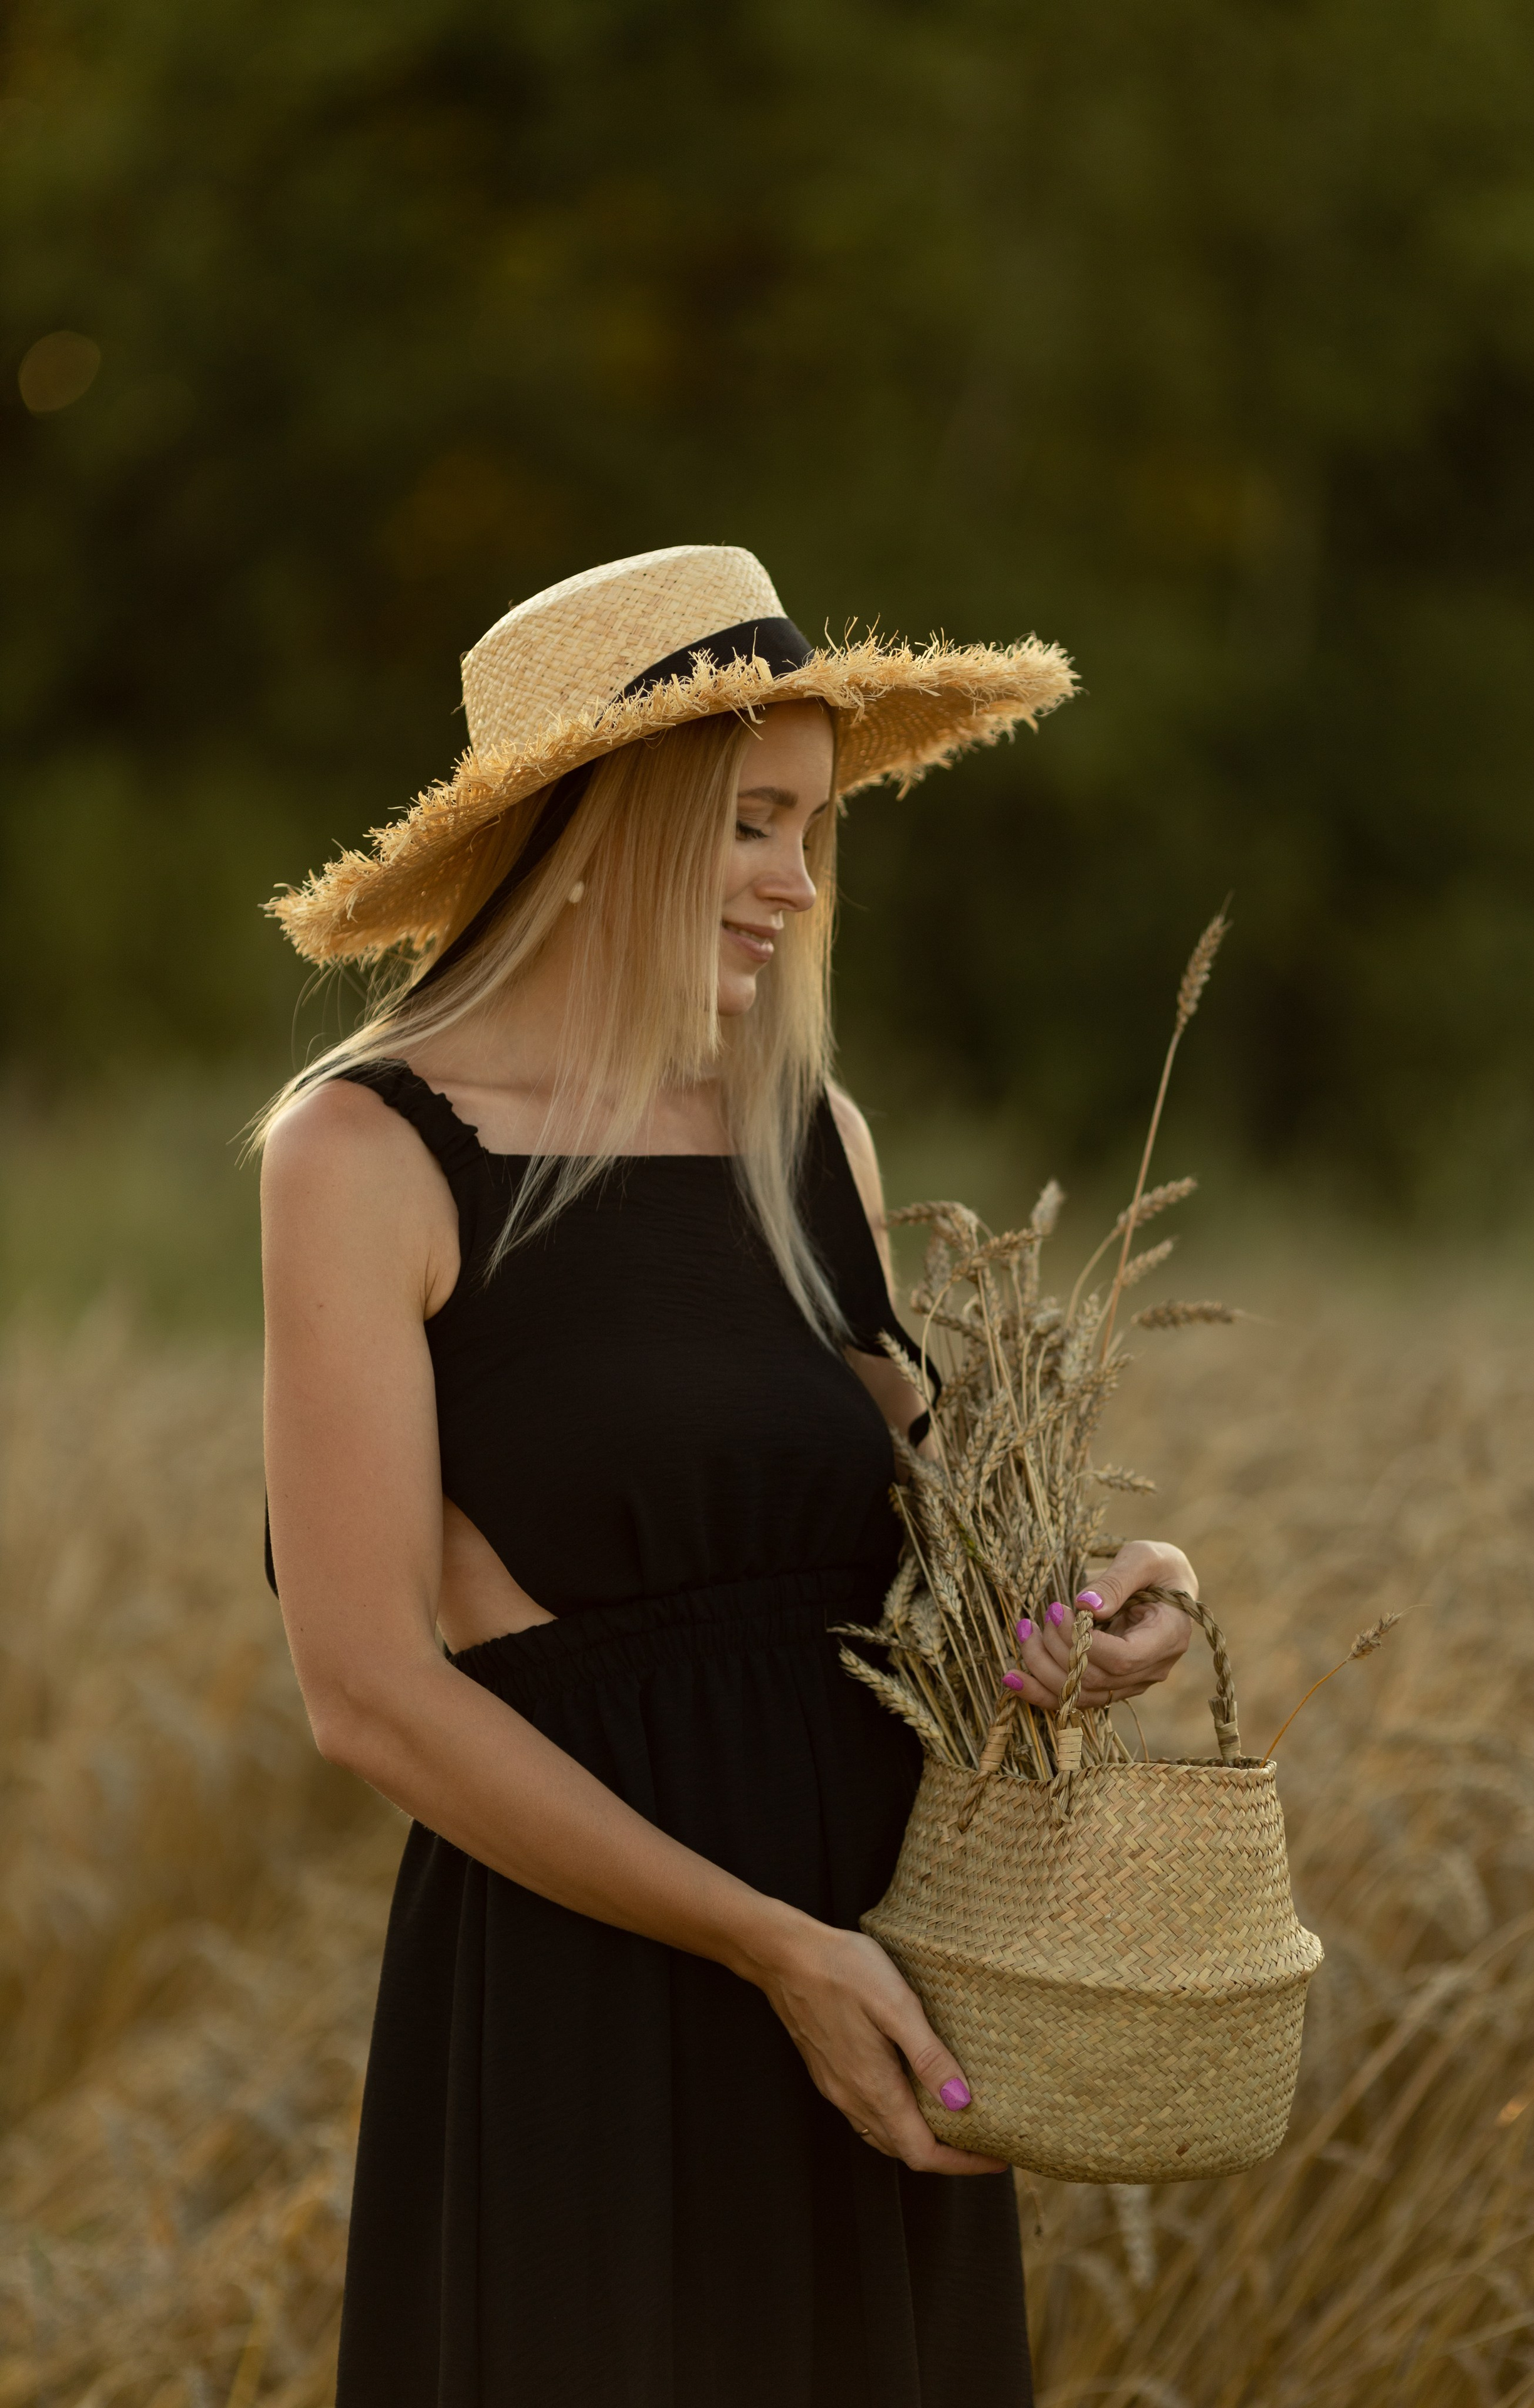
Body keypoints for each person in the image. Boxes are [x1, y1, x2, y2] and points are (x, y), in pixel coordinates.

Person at [258, 544, 1199, 2407]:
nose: (799, 883)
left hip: (885, 1968)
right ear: (595, 823)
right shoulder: (366, 1156)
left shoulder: (806, 1137)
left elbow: (942, 1548)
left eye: (815, 830)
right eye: (754, 823)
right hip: (601, 1987)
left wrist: (1114, 1596)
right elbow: (365, 1692)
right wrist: (771, 1952)